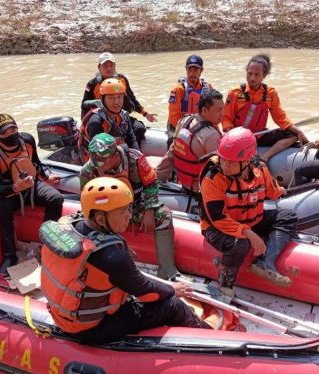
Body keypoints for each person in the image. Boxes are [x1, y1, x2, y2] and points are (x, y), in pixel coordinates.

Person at [39, 177, 209, 344]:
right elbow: (147, 293)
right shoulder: (113, 257)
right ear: (100, 219)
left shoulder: (69, 226)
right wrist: (173, 290)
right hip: (91, 330)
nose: (130, 216)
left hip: (62, 314)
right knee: (174, 305)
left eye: (128, 208)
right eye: (123, 212)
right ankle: (209, 339)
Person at [199, 128, 298, 300]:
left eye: (231, 162)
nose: (225, 165)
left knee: (288, 216)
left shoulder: (260, 170)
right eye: (223, 159)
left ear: (246, 161)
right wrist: (249, 233)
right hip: (217, 227)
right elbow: (218, 219)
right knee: (240, 243)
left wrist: (279, 190)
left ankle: (265, 262)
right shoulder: (212, 176)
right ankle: (224, 287)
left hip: (249, 219)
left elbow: (272, 192)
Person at [79, 133, 179, 280]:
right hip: (107, 213)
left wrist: (150, 209)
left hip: (135, 206)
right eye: (94, 160)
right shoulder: (88, 170)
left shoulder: (135, 159)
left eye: (101, 161)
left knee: (164, 215)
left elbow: (151, 183)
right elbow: (86, 200)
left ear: (114, 156)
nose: (96, 165)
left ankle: (167, 269)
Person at [0, 114, 64, 275]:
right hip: (8, 190)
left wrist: (46, 178)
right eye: (5, 133)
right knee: (0, 205)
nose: (10, 135)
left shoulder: (27, 140)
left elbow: (35, 163)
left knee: (56, 198)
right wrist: (16, 187)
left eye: (13, 130)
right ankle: (9, 255)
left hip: (31, 184)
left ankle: (47, 245)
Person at [222, 54, 308, 162]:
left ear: (265, 75)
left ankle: (265, 156)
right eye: (249, 73)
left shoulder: (270, 93)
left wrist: (298, 131)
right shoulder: (235, 93)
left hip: (259, 136)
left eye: (257, 74)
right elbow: (226, 119)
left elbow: (280, 118)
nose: (252, 78)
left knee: (293, 134)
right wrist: (232, 138)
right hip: (239, 138)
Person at [80, 52, 158, 146]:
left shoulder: (122, 80)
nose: (109, 68)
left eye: (111, 65)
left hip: (120, 116)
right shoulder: (92, 84)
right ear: (99, 67)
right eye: (105, 65)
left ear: (115, 66)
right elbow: (84, 105)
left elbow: (131, 99)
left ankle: (129, 152)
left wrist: (145, 114)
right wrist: (85, 123)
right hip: (102, 117)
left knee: (139, 128)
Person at [156, 88, 223, 194]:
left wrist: (157, 176)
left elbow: (172, 152)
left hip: (184, 183)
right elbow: (223, 170)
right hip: (200, 191)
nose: (222, 114)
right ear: (205, 110)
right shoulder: (211, 136)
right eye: (219, 110)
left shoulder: (184, 120)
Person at [78, 79, 139, 163]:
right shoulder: (95, 121)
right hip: (97, 162)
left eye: (119, 97)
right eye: (111, 98)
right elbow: (100, 154)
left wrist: (138, 158)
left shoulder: (124, 116)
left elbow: (131, 139)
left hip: (117, 155)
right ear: (103, 99)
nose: (117, 102)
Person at [167, 54, 213, 137]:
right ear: (186, 69)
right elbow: (173, 118)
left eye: (195, 70)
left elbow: (212, 113)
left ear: (201, 70)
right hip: (179, 129)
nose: (192, 73)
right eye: (189, 69)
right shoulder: (178, 89)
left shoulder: (208, 88)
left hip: (200, 128)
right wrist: (189, 132)